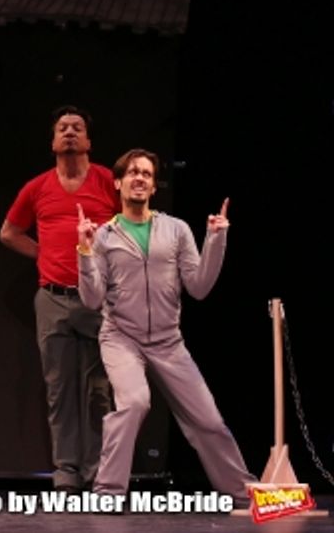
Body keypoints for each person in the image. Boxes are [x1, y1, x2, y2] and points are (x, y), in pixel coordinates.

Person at [77, 148, 253, 500]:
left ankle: (241, 489)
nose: (139, 178)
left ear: (154, 187)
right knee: (134, 403)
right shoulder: (105, 237)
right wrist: (83, 250)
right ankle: (108, 492)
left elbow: (199, 288)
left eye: (146, 174)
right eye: (132, 173)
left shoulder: (176, 230)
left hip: (168, 341)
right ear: (118, 183)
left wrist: (216, 239)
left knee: (208, 421)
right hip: (121, 337)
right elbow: (92, 299)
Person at [0, 105, 119, 492]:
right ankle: (66, 472)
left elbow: (133, 225)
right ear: (53, 142)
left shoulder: (105, 181)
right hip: (52, 299)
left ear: (88, 141)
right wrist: (46, 253)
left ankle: (98, 471)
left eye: (77, 128)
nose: (69, 132)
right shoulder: (37, 187)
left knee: (100, 390)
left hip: (98, 301)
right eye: (63, 128)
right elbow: (8, 232)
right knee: (59, 389)